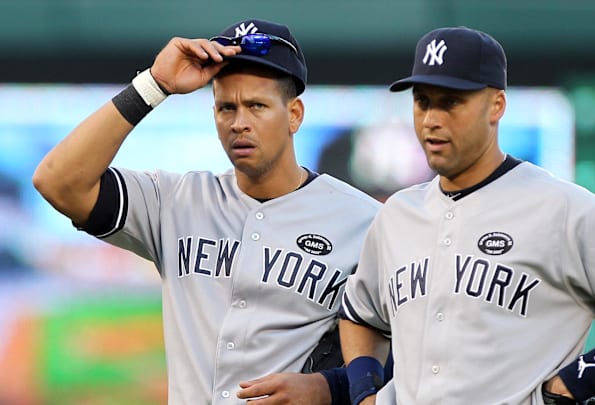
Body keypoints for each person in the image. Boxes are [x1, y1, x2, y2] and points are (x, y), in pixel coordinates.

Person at [338, 26, 595, 405]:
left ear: (496, 105)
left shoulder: (560, 207)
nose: (431, 119)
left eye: (451, 102)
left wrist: (568, 387)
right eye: (422, 101)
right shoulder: (398, 214)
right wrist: (365, 393)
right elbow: (360, 314)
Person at [32, 18, 380, 405]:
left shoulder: (364, 220)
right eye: (225, 108)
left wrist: (330, 387)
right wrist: (154, 85)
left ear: (294, 114)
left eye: (257, 106)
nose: (239, 123)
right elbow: (56, 180)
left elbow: (417, 348)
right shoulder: (176, 201)